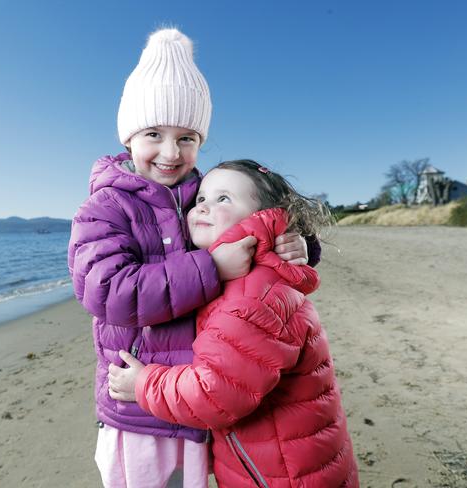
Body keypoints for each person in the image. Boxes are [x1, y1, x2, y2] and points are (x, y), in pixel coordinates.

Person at [68, 29, 314, 488]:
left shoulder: (201, 196)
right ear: (128, 136)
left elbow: (251, 224)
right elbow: (108, 293)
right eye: (153, 134)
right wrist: (211, 269)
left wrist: (299, 246)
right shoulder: (104, 208)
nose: (169, 152)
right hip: (136, 402)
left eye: (187, 137)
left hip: (197, 396)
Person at [108, 160, 360, 487]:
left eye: (223, 199)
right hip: (283, 464)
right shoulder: (250, 279)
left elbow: (216, 394)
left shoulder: (251, 297)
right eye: (200, 200)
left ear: (262, 215)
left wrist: (143, 384)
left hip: (281, 476)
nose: (203, 207)